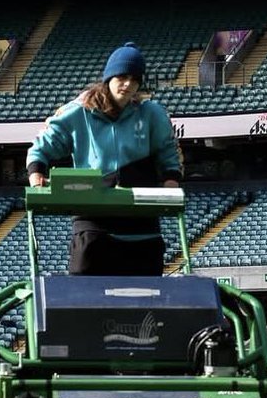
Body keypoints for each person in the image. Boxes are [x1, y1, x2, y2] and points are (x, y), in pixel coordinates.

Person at [26, 42, 182, 277]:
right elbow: (41, 147)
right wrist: (36, 173)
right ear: (109, 77)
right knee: (84, 294)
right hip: (93, 225)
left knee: (145, 295)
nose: (128, 84)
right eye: (122, 77)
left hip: (141, 225)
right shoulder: (78, 112)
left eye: (135, 79)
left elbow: (169, 152)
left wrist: (171, 180)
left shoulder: (152, 113)